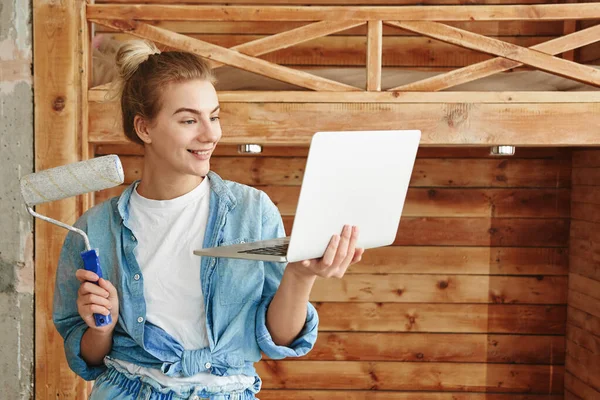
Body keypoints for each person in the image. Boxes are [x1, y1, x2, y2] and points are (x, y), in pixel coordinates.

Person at [53, 39, 364, 400]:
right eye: (189, 120)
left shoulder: (252, 210)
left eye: (214, 116)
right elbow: (87, 358)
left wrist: (300, 274)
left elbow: (279, 339)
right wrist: (100, 328)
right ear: (145, 129)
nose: (211, 134)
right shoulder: (92, 231)